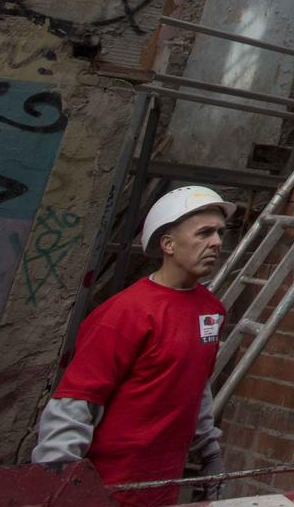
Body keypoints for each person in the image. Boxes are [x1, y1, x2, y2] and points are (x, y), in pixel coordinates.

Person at [32, 187, 231, 506]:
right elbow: (74, 406)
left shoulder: (211, 310)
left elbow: (196, 387)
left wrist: (210, 452)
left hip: (162, 487)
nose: (217, 242)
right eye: (204, 233)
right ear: (168, 244)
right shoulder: (124, 314)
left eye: (220, 232)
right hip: (106, 490)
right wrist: (58, 486)